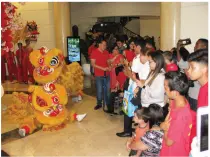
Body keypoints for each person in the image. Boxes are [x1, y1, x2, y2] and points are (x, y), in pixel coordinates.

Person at [116, 38, 150, 137]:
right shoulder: (137, 58)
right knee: (132, 108)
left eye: (134, 46)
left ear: (139, 47)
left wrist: (126, 67)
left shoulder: (140, 58)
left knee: (131, 108)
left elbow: (132, 74)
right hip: (134, 85)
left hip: (135, 87)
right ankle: (132, 129)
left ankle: (128, 130)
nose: (132, 48)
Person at [160, 71, 195, 156]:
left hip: (174, 152)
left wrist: (163, 127)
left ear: (175, 92)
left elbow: (169, 142)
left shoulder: (181, 116)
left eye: (166, 87)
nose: (164, 90)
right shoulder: (177, 100)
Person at [177, 38, 208, 111]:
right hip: (192, 94)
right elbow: (181, 63)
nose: (188, 70)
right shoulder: (203, 89)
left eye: (192, 67)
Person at [90, 38, 111, 110]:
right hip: (99, 75)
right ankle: (99, 103)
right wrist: (103, 68)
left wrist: (109, 66)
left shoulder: (106, 52)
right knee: (99, 90)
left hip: (107, 74)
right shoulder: (94, 52)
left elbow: (108, 61)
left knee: (108, 90)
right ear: (99, 45)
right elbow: (93, 64)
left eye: (105, 45)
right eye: (104, 45)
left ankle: (108, 103)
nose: (105, 46)